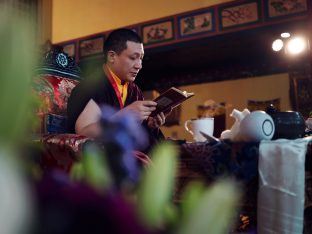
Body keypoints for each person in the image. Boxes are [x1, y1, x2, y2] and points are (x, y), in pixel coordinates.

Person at [67, 28, 168, 153]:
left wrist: (150, 126)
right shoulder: (91, 87)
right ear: (112, 56)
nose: (139, 65)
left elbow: (138, 137)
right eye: (133, 58)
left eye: (141, 58)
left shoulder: (134, 91)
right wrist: (125, 116)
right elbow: (84, 132)